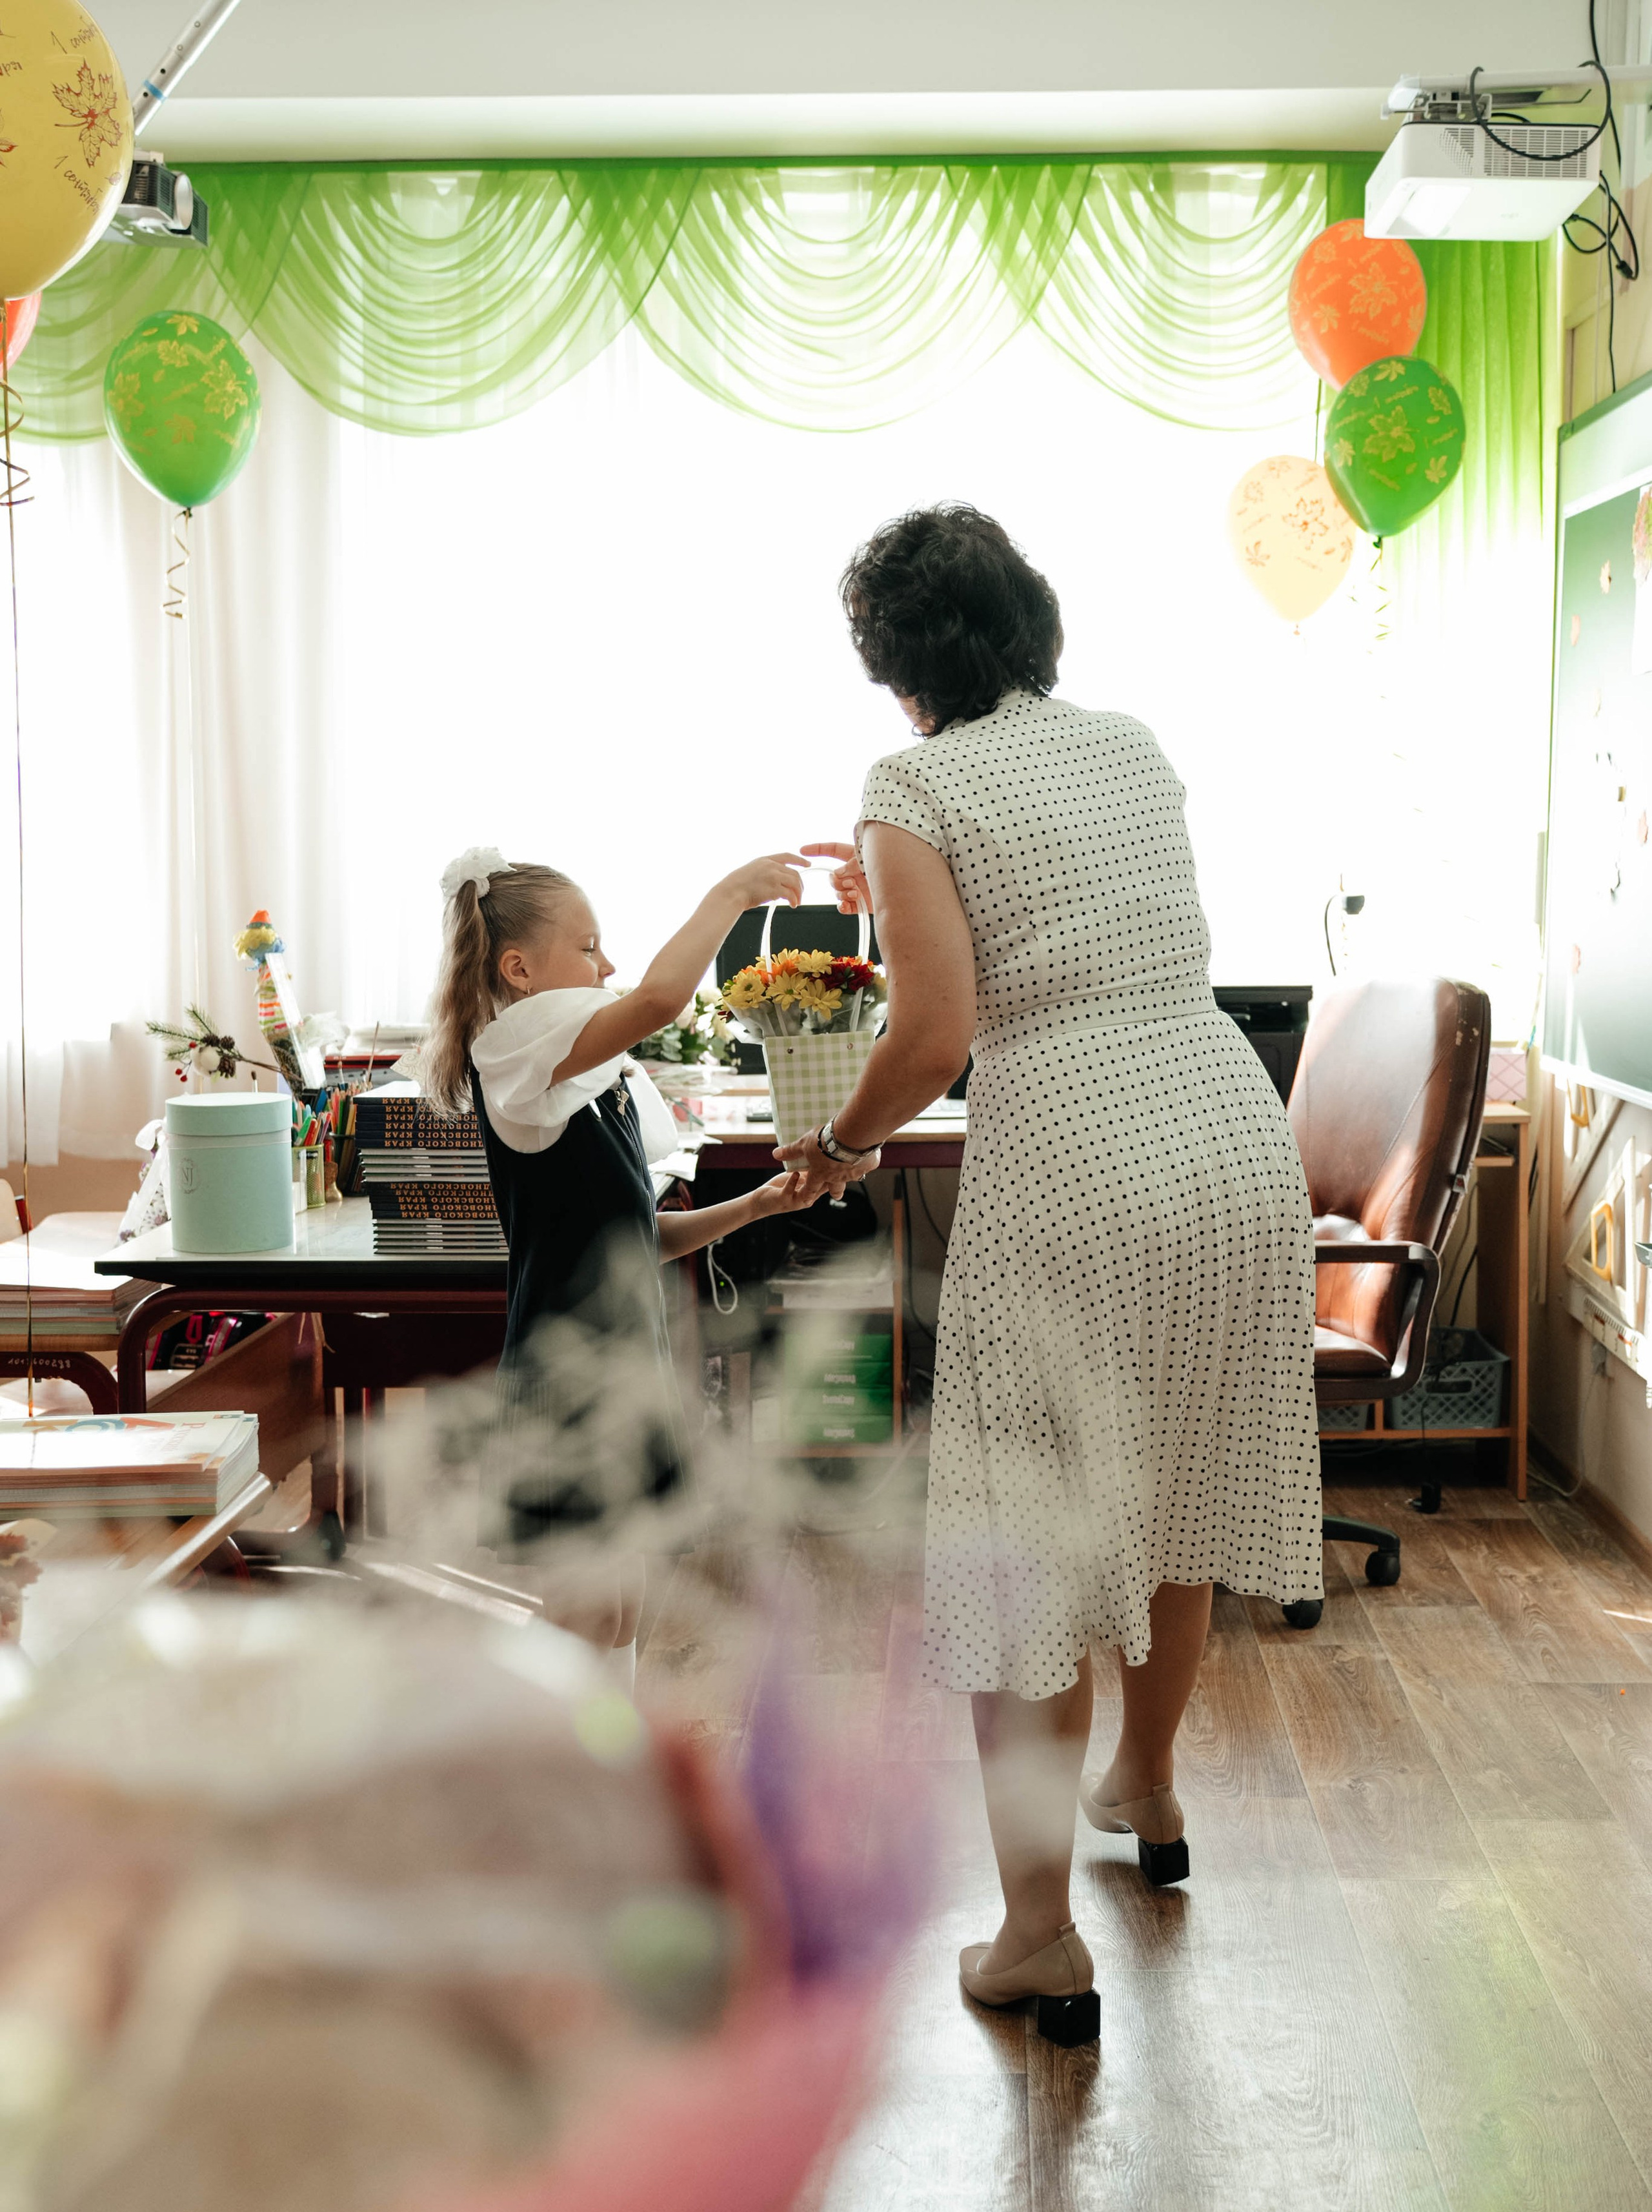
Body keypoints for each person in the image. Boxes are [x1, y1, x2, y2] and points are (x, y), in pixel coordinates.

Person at [781, 505, 1322, 2042]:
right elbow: (1067, 919)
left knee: (1017, 1539)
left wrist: (838, 1140)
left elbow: (938, 1030)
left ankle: (1034, 1938)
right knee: (1176, 1477)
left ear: (894, 668)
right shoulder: (1129, 744)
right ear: (1032, 622)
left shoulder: (911, 778)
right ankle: (1142, 1785)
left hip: (1076, 1155)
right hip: (1226, 1135)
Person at [424, 843, 816, 1685]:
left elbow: (639, 1234)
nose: (610, 965)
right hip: (569, 1371)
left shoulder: (590, 1085)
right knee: (587, 1606)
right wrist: (729, 894)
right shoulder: (518, 1059)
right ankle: (537, 1769)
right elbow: (661, 996)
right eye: (590, 946)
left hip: (626, 1361)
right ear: (519, 969)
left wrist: (755, 1206)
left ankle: (612, 1770)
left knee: (625, 1599)